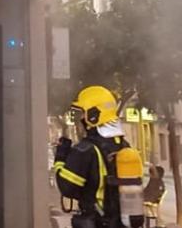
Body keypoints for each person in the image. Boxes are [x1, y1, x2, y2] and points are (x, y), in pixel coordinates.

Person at [52, 84, 144, 227]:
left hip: (98, 222)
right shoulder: (123, 145)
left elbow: (67, 188)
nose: (81, 117)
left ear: (93, 115)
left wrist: (61, 157)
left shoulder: (85, 149)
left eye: (83, 113)